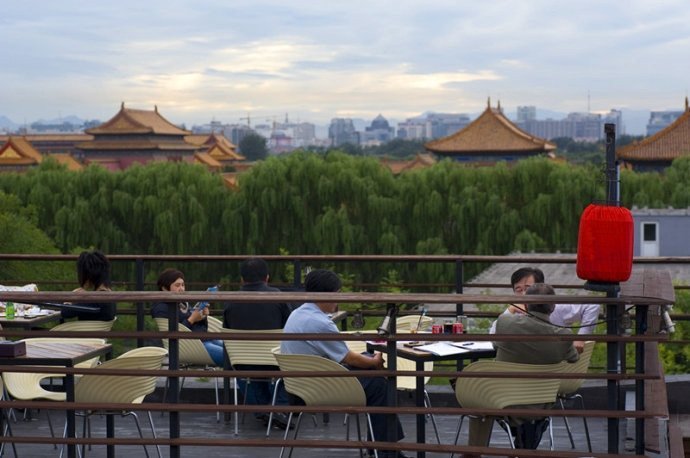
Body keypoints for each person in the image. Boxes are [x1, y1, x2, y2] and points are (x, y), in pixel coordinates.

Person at [281, 269, 408, 458]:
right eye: (337, 293)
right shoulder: (320, 323)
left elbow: (343, 357)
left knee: (371, 370)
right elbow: (348, 358)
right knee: (380, 385)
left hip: (300, 383)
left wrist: (368, 361)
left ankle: (383, 449)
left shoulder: (298, 314)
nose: (339, 298)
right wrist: (373, 362)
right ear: (326, 295)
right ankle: (386, 452)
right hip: (319, 387)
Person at [466, 283, 579, 455]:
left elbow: (496, 344)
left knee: (476, 392)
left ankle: (473, 452)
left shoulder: (506, 323)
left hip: (503, 398)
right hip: (542, 401)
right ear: (553, 307)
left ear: (526, 305)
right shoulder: (563, 336)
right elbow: (573, 358)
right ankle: (525, 444)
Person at [223, 257, 292, 429]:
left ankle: (263, 410)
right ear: (267, 278)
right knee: (298, 362)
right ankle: (278, 408)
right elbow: (290, 327)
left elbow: (227, 332)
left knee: (250, 373)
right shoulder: (278, 297)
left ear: (241, 279)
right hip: (275, 362)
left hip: (242, 363)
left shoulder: (230, 301)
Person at [489, 266, 600, 353]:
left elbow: (592, 305)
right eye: (518, 290)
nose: (523, 294)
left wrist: (582, 337)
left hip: (555, 367)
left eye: (528, 288)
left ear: (540, 287)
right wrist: (510, 310)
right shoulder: (513, 311)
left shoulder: (555, 306)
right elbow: (493, 336)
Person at [151, 268, 224, 366]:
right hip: (190, 347)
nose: (181, 289)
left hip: (203, 340)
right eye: (177, 285)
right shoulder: (161, 307)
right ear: (164, 288)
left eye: (183, 285)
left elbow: (200, 328)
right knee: (231, 358)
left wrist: (202, 316)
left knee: (235, 352)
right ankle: (246, 380)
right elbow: (173, 333)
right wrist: (192, 319)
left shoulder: (182, 303)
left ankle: (246, 379)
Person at [61, 250, 117, 321]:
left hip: (86, 331)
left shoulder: (96, 299)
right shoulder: (109, 293)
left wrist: (69, 299)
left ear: (88, 275)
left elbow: (66, 313)